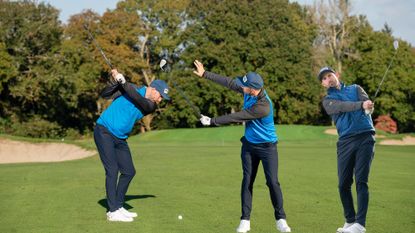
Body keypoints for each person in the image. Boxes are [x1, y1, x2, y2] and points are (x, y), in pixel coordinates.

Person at [193, 60, 291, 233]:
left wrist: (212, 121)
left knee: (272, 182)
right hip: (249, 146)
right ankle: (245, 220)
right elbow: (229, 82)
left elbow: (239, 116)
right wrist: (205, 74)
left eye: (245, 86)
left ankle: (280, 219)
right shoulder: (248, 91)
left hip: (268, 148)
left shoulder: (264, 106)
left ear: (253, 89)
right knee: (247, 180)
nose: (241, 87)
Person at [94, 69, 170, 222]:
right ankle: (112, 211)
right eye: (161, 96)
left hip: (120, 138)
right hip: (104, 131)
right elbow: (105, 94)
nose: (160, 100)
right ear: (153, 89)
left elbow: (137, 98)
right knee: (113, 170)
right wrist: (114, 81)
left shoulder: (150, 105)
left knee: (129, 171)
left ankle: (119, 205)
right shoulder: (131, 88)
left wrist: (123, 82)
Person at [318, 67, 375, 233]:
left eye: (330, 75)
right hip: (345, 141)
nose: (328, 79)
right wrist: (361, 105)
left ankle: (360, 224)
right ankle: (350, 220)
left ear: (337, 75)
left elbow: (368, 108)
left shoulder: (356, 88)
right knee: (343, 184)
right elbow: (343, 106)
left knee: (361, 181)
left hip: (365, 137)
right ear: (323, 84)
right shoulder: (328, 101)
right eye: (324, 78)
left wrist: (368, 107)